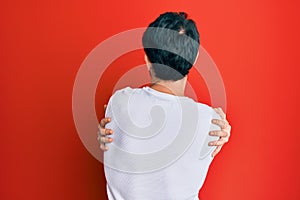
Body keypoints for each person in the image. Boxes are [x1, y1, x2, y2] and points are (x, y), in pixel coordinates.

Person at [98, 12, 231, 200]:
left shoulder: (118, 102)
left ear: (146, 58)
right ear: (195, 58)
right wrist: (218, 122)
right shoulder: (212, 123)